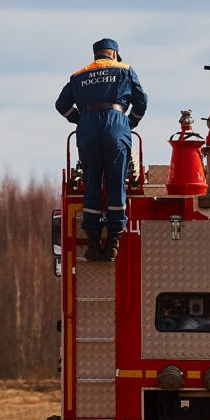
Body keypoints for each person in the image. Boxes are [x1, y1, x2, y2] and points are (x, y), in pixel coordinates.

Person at [55, 37, 148, 261]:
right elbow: (142, 101)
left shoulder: (79, 74)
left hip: (87, 130)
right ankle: (114, 241)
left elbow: (61, 104)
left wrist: (80, 120)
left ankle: (93, 243)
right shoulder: (124, 69)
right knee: (116, 183)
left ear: (96, 55)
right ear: (114, 54)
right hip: (115, 126)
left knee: (92, 184)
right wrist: (129, 123)